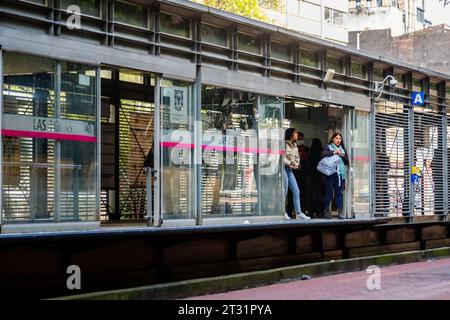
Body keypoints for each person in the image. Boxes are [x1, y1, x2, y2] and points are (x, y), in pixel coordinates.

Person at [321, 133, 349, 219]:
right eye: (336, 138)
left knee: (339, 194)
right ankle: (326, 212)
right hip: (330, 174)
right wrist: (334, 152)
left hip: (340, 175)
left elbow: (347, 161)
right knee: (329, 193)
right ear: (333, 139)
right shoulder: (328, 147)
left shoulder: (342, 149)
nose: (338, 140)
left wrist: (342, 155)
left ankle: (340, 212)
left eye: (340, 138)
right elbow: (322, 154)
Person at [284, 128, 310, 220]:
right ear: (291, 134)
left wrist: (296, 164)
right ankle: (283, 213)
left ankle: (299, 213)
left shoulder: (295, 145)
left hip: (290, 170)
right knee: (285, 192)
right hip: (284, 168)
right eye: (295, 133)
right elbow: (282, 157)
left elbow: (297, 157)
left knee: (296, 191)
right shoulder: (284, 144)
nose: (297, 134)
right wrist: (290, 163)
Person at [305, 138, 324, 218]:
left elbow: (308, 166)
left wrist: (307, 175)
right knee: (320, 193)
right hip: (321, 177)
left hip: (312, 177)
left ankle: (311, 211)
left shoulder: (311, 153)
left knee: (311, 194)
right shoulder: (322, 153)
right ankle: (320, 211)